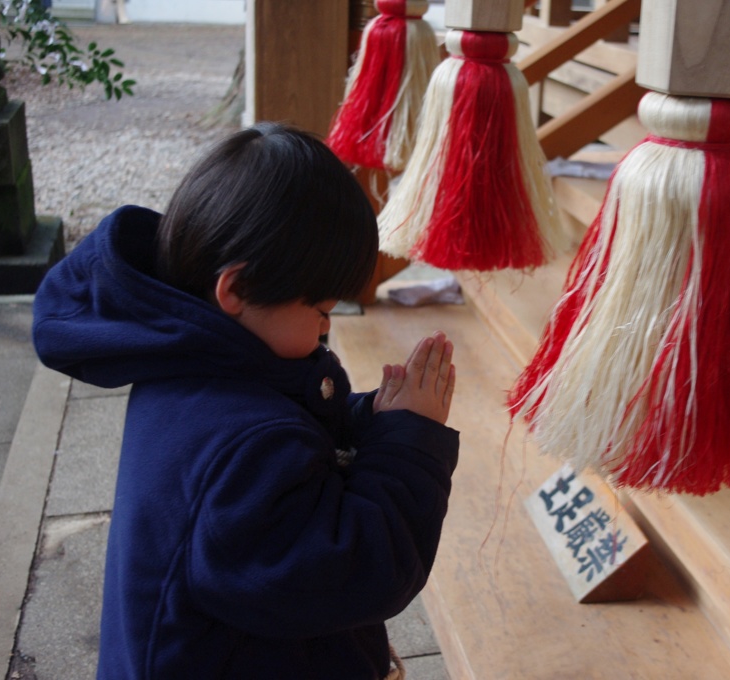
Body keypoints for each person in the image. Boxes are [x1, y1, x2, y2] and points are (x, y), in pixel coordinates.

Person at [32, 123, 459, 680]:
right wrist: (410, 448)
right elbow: (348, 570)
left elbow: (299, 451)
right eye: (321, 311)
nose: (326, 329)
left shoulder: (195, 361)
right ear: (235, 290)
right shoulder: (246, 441)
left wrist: (372, 421)